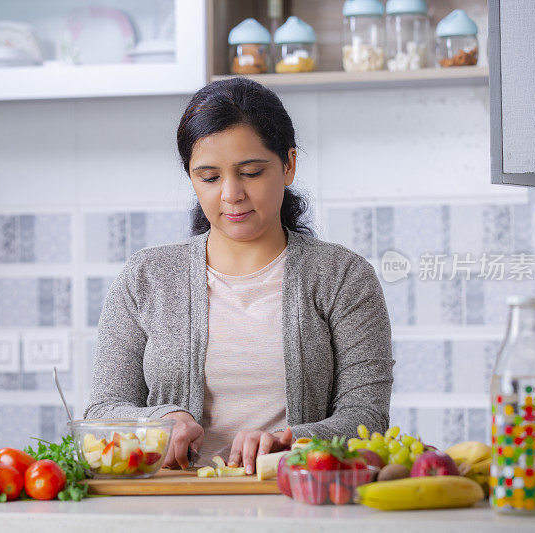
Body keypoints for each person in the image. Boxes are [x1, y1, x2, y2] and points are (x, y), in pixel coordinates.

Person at [84, 78, 394, 475]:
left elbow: (367, 417)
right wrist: (158, 422)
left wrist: (295, 440)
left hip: (296, 505)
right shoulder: (146, 278)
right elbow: (103, 410)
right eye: (209, 177)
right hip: (170, 507)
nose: (231, 194)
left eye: (250, 172)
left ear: (288, 165)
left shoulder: (343, 277)